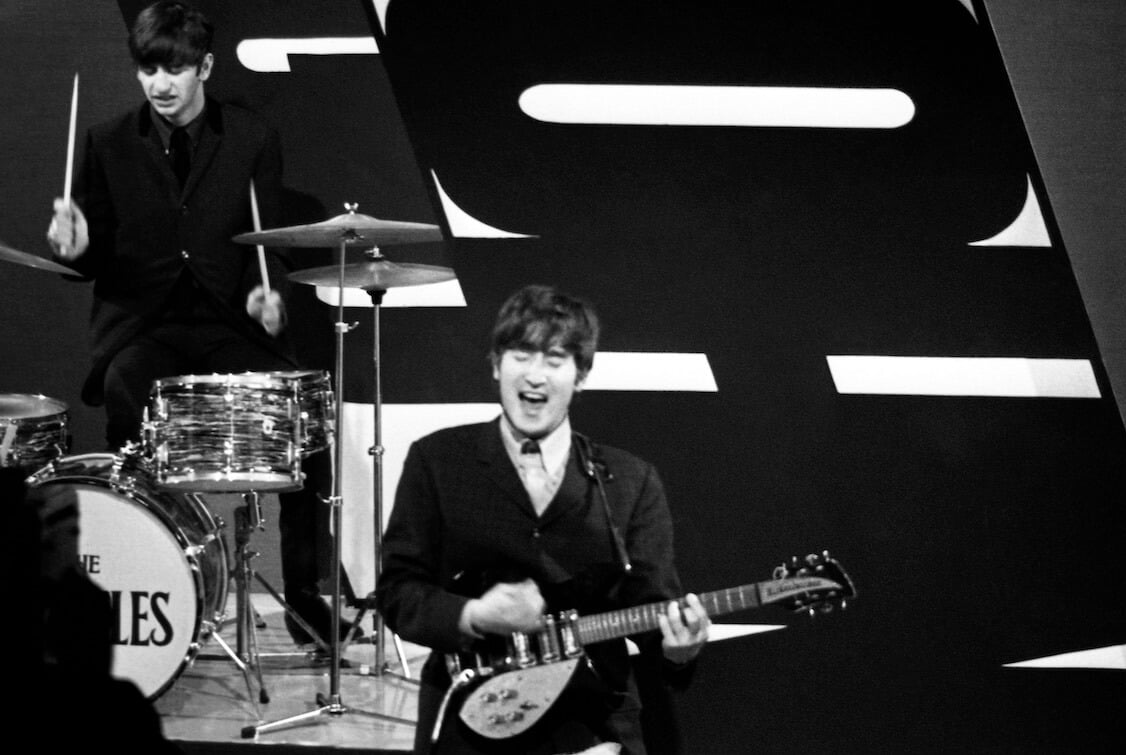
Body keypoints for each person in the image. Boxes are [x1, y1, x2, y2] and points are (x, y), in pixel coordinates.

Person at [45, 1, 352, 647]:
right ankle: (143, 578)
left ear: (205, 67)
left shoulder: (251, 137)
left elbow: (270, 243)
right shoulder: (105, 140)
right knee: (126, 390)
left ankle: (303, 596)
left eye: (175, 69)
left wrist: (268, 296)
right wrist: (73, 248)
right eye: (148, 70)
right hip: (144, 326)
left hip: (228, 322)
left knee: (300, 418)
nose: (160, 84)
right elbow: (90, 258)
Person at [377, 284, 710, 754]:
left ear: (581, 375)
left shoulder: (631, 481)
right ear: (496, 364)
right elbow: (398, 592)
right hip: (470, 714)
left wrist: (679, 650)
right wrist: (473, 615)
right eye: (521, 355)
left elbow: (655, 614)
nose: (535, 375)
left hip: (590, 718)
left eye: (554, 359)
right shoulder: (438, 461)